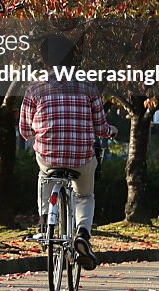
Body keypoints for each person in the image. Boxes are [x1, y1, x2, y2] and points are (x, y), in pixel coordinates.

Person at [19, 33, 116, 270]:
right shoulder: (88, 86)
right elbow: (101, 128)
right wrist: (111, 130)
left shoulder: (35, 87)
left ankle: (44, 219)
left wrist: (39, 133)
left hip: (49, 155)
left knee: (44, 175)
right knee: (84, 196)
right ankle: (82, 233)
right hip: (81, 156)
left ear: (46, 60)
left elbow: (24, 129)